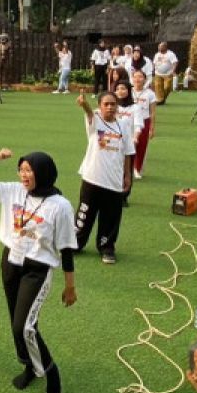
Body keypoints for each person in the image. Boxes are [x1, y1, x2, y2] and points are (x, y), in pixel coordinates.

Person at [0, 149, 76, 393]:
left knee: (24, 326)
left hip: (37, 269)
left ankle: (51, 371)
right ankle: (29, 366)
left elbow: (66, 249)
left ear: (43, 173)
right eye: (21, 169)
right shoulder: (14, 191)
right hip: (10, 262)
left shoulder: (60, 206)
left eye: (29, 170)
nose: (23, 175)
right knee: (16, 322)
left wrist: (70, 286)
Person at [73, 91, 134, 264]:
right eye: (106, 104)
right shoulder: (95, 122)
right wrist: (83, 104)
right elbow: (88, 112)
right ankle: (76, 243)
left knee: (110, 218)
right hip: (92, 178)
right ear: (100, 106)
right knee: (84, 214)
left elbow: (128, 152)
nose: (110, 107)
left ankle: (107, 247)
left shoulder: (124, 126)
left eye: (113, 104)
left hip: (114, 182)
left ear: (117, 106)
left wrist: (127, 175)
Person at [130, 71, 157, 180]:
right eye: (135, 76)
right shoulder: (128, 90)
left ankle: (137, 169)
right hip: (129, 121)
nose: (137, 79)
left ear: (145, 79)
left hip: (144, 121)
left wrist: (152, 127)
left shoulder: (150, 93)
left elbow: (153, 112)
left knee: (141, 146)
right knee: (129, 145)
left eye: (140, 77)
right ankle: (127, 168)